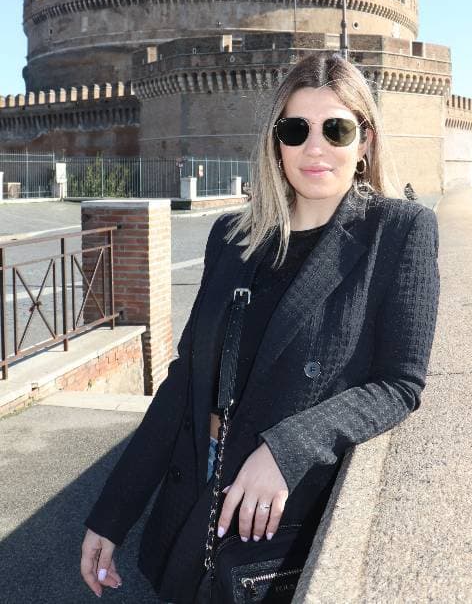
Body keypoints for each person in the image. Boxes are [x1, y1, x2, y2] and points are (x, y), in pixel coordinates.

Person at [80, 53, 440, 603]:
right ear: (276, 142)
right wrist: (112, 513)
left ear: (365, 141)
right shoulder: (232, 237)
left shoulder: (398, 232)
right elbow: (186, 382)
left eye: (337, 129)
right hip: (196, 493)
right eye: (296, 130)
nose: (314, 148)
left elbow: (400, 383)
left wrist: (286, 449)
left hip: (281, 519)